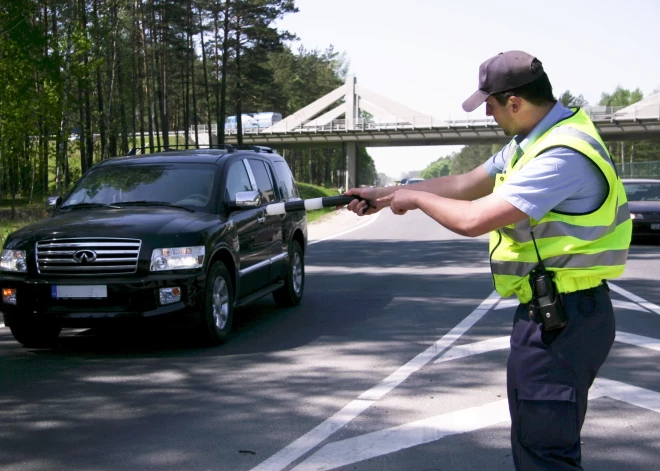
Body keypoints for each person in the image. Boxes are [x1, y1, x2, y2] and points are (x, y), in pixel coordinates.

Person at [343, 50, 631, 470]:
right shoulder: (529, 145)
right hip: (550, 313)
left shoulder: (562, 153)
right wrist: (387, 196)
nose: (488, 115)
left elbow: (475, 218)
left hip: (566, 318)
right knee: (534, 443)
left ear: (514, 101)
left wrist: (417, 199)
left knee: (545, 453)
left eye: (490, 105)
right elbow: (464, 184)